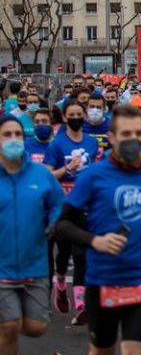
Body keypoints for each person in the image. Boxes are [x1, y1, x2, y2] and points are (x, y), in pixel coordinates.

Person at [54, 105, 141, 355]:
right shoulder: (94, 176)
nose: (134, 139)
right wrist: (95, 241)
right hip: (103, 278)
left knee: (137, 350)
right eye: (126, 134)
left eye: (138, 133)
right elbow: (62, 224)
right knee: (103, 350)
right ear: (112, 138)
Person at [0, 115, 65, 355]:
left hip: (35, 265)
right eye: (7, 135)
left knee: (36, 327)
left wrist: (54, 222)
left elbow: (58, 204)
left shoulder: (41, 174)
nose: (14, 139)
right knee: (9, 326)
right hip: (2, 267)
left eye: (18, 134)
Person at [43, 100, 100, 324]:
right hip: (62, 205)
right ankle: (59, 284)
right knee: (64, 253)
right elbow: (47, 175)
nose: (76, 118)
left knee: (80, 254)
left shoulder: (92, 142)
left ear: (83, 117)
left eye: (79, 114)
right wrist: (67, 168)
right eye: (72, 115)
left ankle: (81, 304)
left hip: (84, 206)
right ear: (65, 118)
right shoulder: (56, 145)